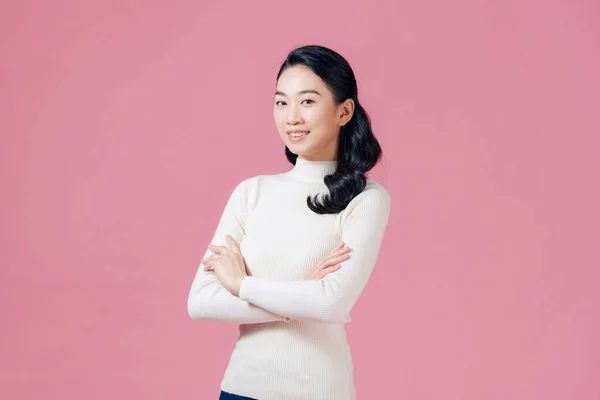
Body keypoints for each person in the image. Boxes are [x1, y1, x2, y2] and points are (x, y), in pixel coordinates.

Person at [187, 44, 391, 400]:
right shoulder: (252, 192)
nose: (291, 117)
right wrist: (299, 292)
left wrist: (240, 284)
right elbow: (201, 302)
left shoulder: (366, 198)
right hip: (240, 389)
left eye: (307, 101)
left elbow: (330, 304)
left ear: (344, 111)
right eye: (281, 102)